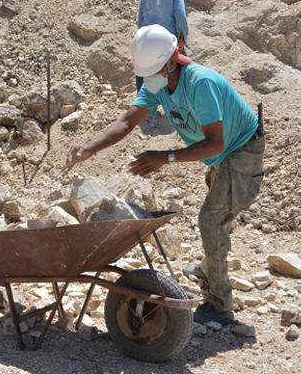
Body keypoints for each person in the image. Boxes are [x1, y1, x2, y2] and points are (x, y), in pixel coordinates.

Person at [63, 25, 265, 326]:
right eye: (146, 73)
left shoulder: (201, 83)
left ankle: (220, 304)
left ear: (174, 58)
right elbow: (127, 121)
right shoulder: (157, 82)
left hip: (240, 151)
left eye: (155, 70)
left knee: (212, 220)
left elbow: (216, 142)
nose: (149, 78)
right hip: (221, 157)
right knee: (215, 217)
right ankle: (210, 268)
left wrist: (165, 157)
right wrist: (90, 148)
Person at [136, 0, 189, 92]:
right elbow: (180, 16)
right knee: (184, 73)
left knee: (144, 71)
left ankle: (145, 107)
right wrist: (182, 39)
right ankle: (181, 107)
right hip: (168, 41)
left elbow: (140, 22)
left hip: (147, 41)